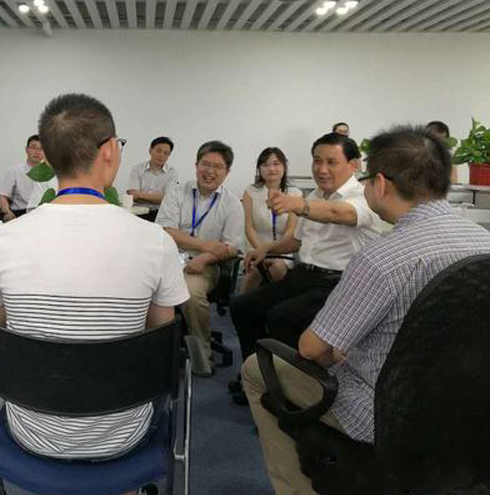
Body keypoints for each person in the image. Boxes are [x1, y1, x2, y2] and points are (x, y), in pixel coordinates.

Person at [241, 125, 490, 495]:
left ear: (382, 184)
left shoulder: (382, 258)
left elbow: (311, 349)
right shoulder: (484, 241)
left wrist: (341, 350)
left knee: (255, 369)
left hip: (384, 412)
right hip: (464, 406)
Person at [0, 93, 189, 495]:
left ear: (48, 156)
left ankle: (61, 492)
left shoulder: (0, 240)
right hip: (124, 435)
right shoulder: (154, 241)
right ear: (109, 150)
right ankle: (126, 491)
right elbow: (161, 337)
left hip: (31, 431)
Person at [229, 133, 383, 403]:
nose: (322, 169)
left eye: (331, 162)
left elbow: (339, 213)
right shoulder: (316, 195)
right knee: (244, 306)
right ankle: (259, 376)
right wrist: (267, 248)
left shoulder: (362, 196)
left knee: (282, 317)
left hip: (339, 283)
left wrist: (298, 204)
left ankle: (294, 393)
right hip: (304, 275)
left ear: (353, 164)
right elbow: (298, 241)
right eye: (317, 161)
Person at [155, 140, 244, 375]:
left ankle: (202, 354)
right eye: (205, 164)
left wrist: (204, 257)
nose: (210, 171)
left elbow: (232, 247)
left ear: (227, 171)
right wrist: (207, 245)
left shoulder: (233, 204)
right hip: (169, 260)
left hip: (206, 266)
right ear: (196, 165)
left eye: (217, 166)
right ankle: (153, 348)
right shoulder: (177, 192)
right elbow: (165, 230)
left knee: (191, 292)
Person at [241, 147, 302, 293]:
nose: (271, 169)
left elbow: (290, 231)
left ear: (284, 167)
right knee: (253, 272)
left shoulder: (295, 194)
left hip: (283, 251)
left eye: (276, 164)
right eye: (265, 165)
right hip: (255, 249)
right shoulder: (250, 192)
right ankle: (242, 305)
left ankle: (275, 305)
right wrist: (260, 251)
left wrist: (272, 250)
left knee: (278, 268)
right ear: (259, 169)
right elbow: (249, 227)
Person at [126, 136, 180, 222]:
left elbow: (168, 199)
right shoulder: (137, 169)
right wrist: (158, 198)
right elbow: (132, 194)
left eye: (166, 153)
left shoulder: (172, 173)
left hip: (161, 214)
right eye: (158, 151)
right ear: (150, 150)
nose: (161, 155)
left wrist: (140, 195)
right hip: (138, 213)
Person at [0, 134, 44, 221]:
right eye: (33, 148)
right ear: (26, 150)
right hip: (20, 214)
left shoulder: (51, 175)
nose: (37, 152)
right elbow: (2, 197)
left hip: (42, 215)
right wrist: (7, 212)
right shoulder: (15, 171)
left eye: (41, 149)